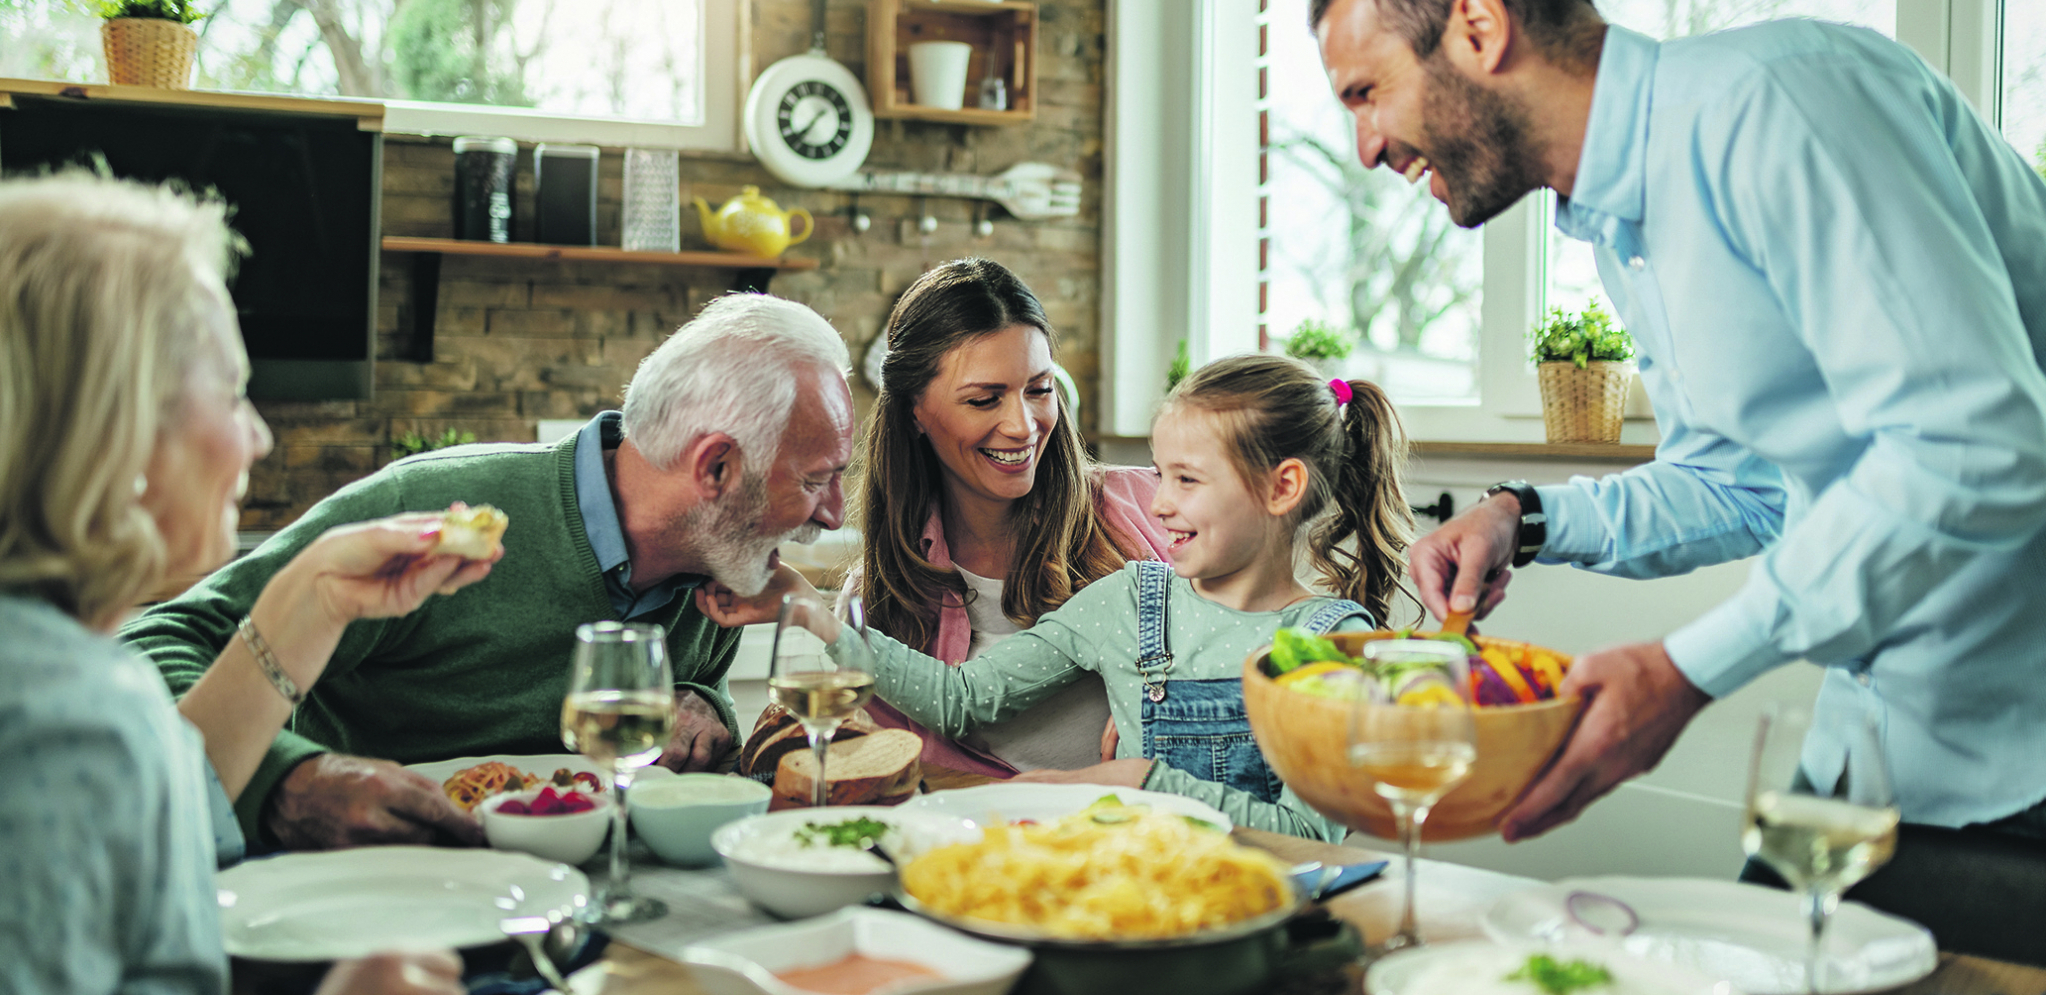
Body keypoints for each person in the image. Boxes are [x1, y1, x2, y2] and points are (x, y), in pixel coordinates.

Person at [1310, 0, 2046, 846]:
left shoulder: (1783, 103)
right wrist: (1523, 516)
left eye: (1366, 92)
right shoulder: (1625, 224)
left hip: (2022, 761)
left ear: (1479, 29)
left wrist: (1685, 670)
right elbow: (1743, 486)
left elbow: (1973, 444)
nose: (1366, 146)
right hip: (1878, 746)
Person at [123, 292, 855, 850]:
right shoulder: (434, 509)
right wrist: (283, 778)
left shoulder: (722, 563)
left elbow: (693, 710)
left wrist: (705, 707)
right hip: (370, 897)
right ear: (717, 466)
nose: (832, 514)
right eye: (819, 477)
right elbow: (153, 647)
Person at [0, 172, 480, 994]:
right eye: (231, 391)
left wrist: (314, 594)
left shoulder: (50, 664)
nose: (257, 435)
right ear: (119, 430)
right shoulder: (65, 720)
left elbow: (164, 813)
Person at [705, 354, 1417, 839]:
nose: (1160, 503)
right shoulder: (1130, 601)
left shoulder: (1328, 641)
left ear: (1282, 486)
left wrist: (1142, 779)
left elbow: (1309, 834)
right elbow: (962, 698)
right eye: (1160, 475)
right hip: (1120, 895)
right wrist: (811, 611)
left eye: (1187, 481)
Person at [843, 258, 1171, 778]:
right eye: (983, 399)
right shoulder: (879, 600)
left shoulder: (1151, 508)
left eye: (1039, 390)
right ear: (913, 411)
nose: (1023, 426)